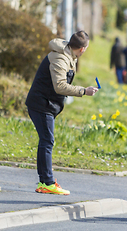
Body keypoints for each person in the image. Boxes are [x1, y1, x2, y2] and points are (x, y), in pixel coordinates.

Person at [25, 31, 98, 195]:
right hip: (41, 104)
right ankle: (47, 183)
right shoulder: (60, 58)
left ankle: (45, 181)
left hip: (47, 104)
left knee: (46, 140)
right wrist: (83, 91)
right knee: (47, 140)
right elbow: (60, 86)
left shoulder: (69, 55)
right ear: (83, 49)